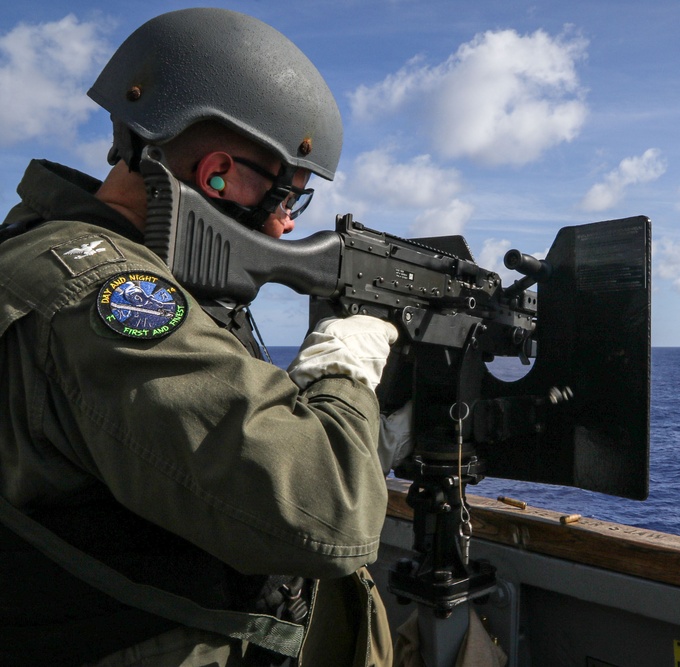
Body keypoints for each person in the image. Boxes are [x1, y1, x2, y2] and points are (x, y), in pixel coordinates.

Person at [0, 8, 400, 666]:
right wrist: (344, 370)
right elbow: (332, 511)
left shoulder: (40, 251)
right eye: (287, 198)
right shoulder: (110, 295)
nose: (284, 228)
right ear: (218, 171)